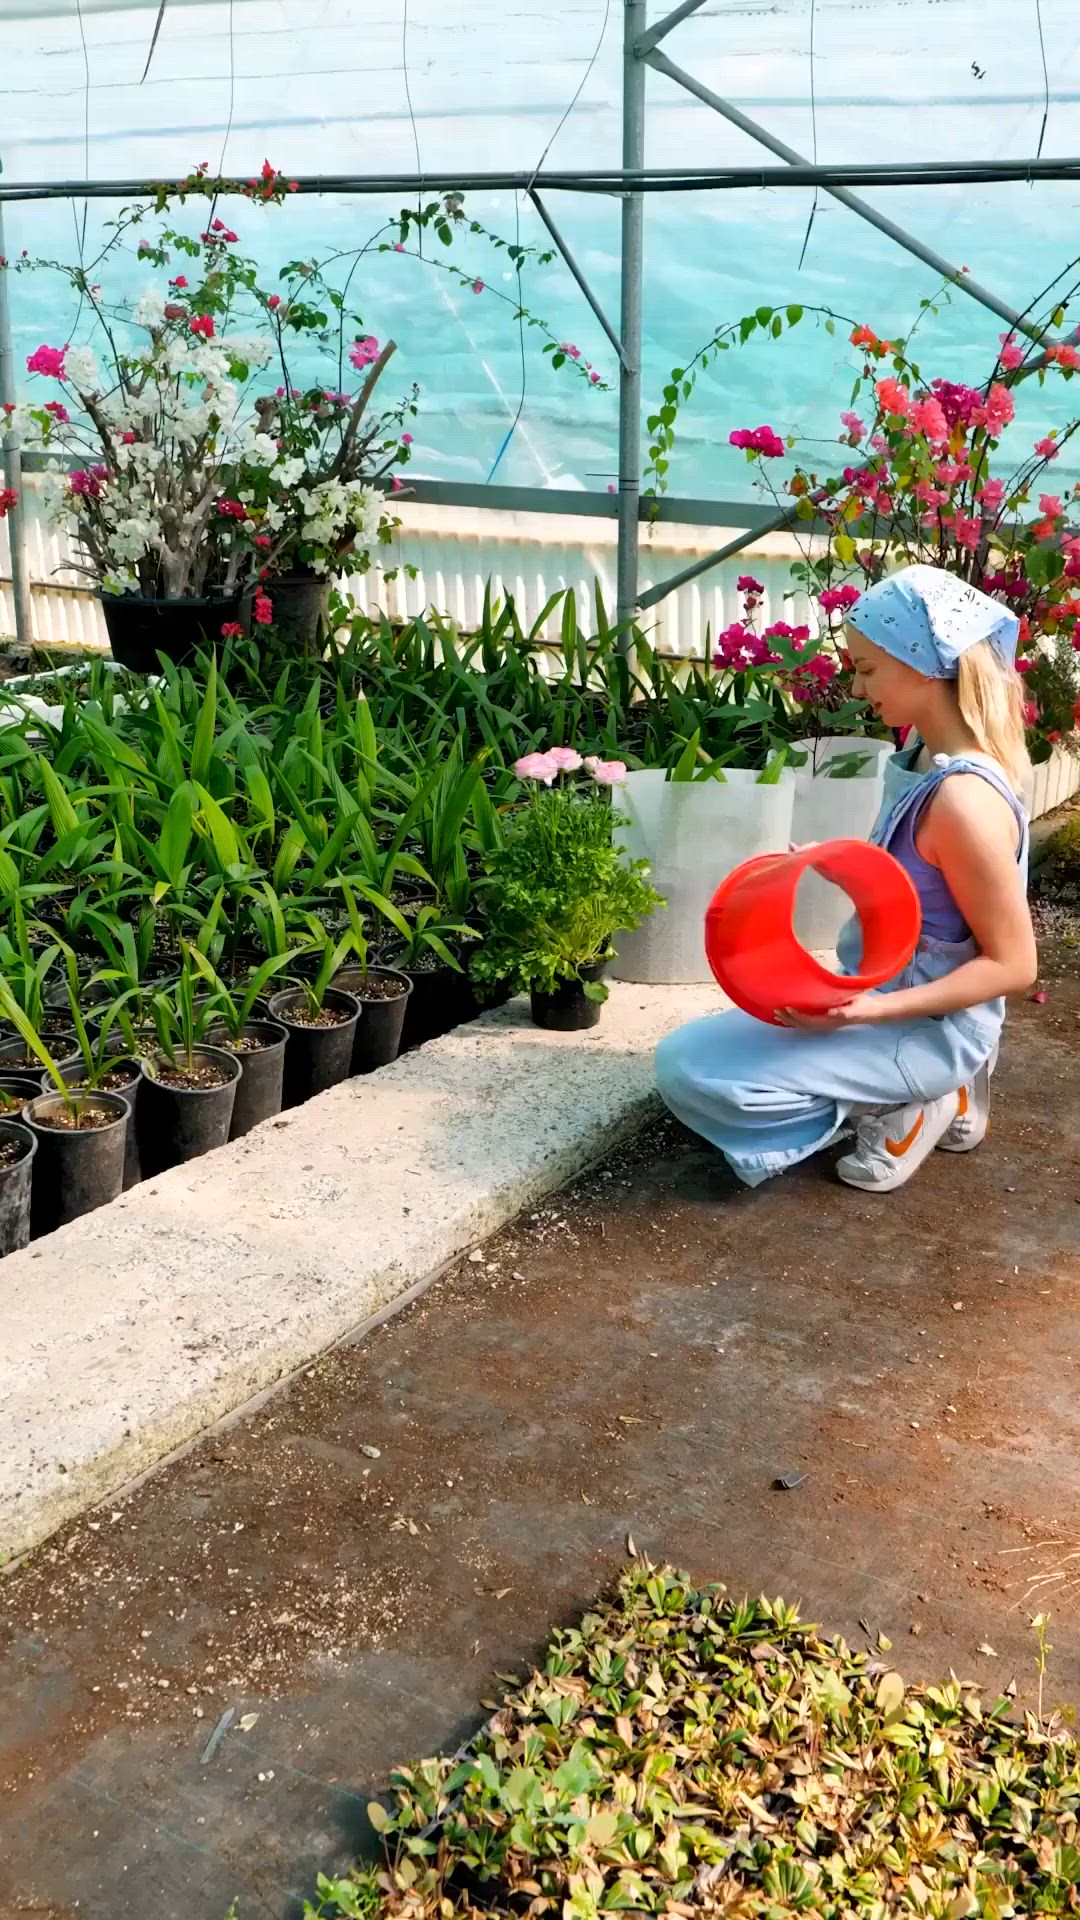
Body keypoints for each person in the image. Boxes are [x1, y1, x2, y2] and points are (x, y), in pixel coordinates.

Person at [656, 564, 1038, 1193]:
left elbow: (1014, 965)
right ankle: (932, 1084)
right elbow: (931, 904)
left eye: (866, 669)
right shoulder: (919, 758)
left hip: (925, 1022)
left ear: (921, 664)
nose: (859, 689)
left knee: (692, 1074)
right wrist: (847, 871)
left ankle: (907, 1101)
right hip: (888, 996)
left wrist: (861, 1014)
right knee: (696, 1051)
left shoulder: (965, 800)